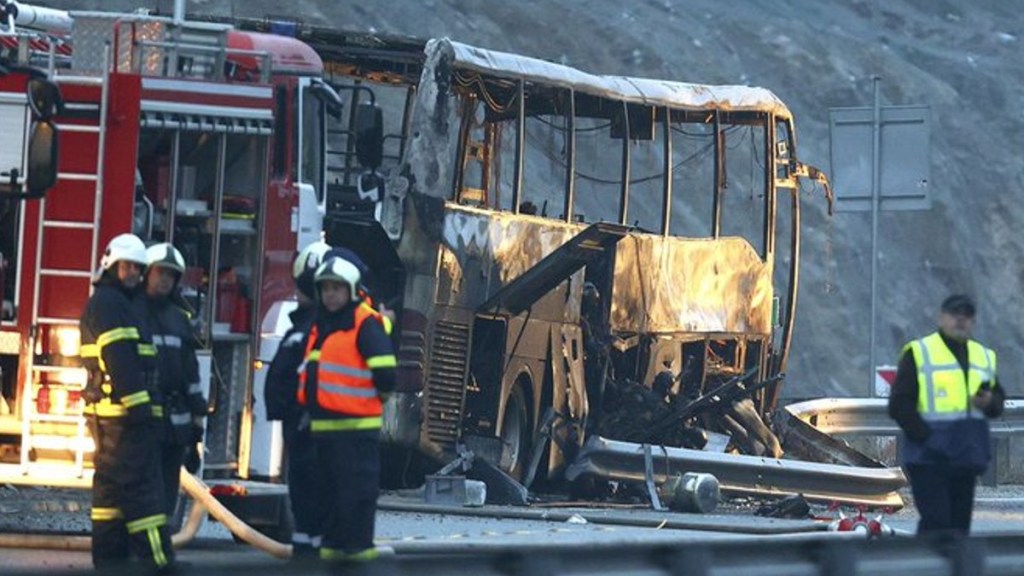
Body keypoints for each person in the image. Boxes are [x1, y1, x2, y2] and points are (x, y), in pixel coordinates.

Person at [79, 233, 175, 573]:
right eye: (127, 266)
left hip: (110, 422)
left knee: (110, 502)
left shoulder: (113, 301)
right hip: (125, 423)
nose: (133, 273)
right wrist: (141, 411)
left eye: (137, 267)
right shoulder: (111, 303)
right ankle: (159, 565)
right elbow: (120, 360)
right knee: (143, 498)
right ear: (111, 265)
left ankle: (109, 564)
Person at [298, 256, 396, 565]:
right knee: (327, 498)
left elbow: (386, 373)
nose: (330, 294)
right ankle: (331, 559)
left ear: (351, 290)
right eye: (326, 288)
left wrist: (371, 401)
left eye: (337, 289)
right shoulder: (322, 324)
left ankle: (358, 560)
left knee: (357, 495)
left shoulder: (364, 323)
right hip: (324, 431)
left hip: (355, 431)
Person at [888, 294, 1006, 536]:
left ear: (973, 321)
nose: (961, 320)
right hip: (929, 459)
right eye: (955, 314)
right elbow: (900, 404)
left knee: (958, 529)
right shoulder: (919, 352)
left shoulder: (983, 356)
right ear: (942, 318)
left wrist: (989, 401)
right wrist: (927, 437)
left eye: (967, 315)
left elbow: (998, 402)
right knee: (938, 524)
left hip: (965, 458)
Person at [263, 239, 331, 557]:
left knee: (313, 513)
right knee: (307, 514)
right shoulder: (317, 329)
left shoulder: (317, 332)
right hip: (307, 434)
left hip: (313, 436)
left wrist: (295, 416)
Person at [132, 243, 207, 522]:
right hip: (143, 422)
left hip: (175, 426)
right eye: (160, 273)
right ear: (147, 273)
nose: (164, 280)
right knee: (143, 491)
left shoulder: (178, 319)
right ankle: (144, 553)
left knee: (167, 492)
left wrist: (196, 432)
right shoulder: (131, 313)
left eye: (170, 275)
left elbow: (191, 374)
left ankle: (160, 548)